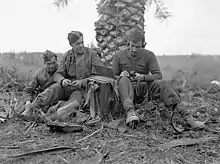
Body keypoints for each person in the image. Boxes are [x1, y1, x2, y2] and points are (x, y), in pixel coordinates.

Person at [112, 29, 205, 129]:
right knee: (124, 80)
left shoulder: (149, 55)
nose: (134, 49)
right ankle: (130, 112)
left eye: (137, 47)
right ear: (128, 43)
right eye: (132, 46)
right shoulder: (119, 56)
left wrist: (143, 77)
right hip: (125, 92)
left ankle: (187, 117)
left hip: (143, 90)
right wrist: (121, 76)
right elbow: (111, 77)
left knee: (163, 84)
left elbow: (158, 75)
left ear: (143, 45)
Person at [21, 31, 103, 121]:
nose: (81, 45)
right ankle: (30, 109)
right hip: (67, 86)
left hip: (82, 89)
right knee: (53, 89)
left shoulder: (92, 55)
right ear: (71, 44)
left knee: (72, 104)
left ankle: (51, 116)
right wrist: (62, 81)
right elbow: (58, 74)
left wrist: (82, 82)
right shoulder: (67, 55)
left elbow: (98, 76)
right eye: (77, 44)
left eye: (82, 42)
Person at [20, 50, 58, 116]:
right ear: (45, 63)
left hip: (56, 100)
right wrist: (28, 102)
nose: (51, 66)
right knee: (21, 108)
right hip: (41, 100)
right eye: (49, 64)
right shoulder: (40, 73)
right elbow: (28, 90)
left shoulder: (61, 71)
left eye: (53, 63)